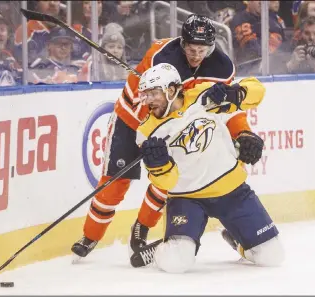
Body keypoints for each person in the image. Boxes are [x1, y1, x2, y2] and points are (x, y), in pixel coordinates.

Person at [71, 14, 262, 262]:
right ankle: (91, 236)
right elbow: (148, 102)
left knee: (168, 181)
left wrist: (243, 131)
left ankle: (141, 228)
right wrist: (150, 134)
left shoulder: (221, 67)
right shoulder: (160, 57)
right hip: (132, 120)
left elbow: (229, 106)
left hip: (173, 126)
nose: (195, 55)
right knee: (114, 184)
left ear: (211, 46)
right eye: (191, 48)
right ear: (182, 43)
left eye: (201, 49)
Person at [135, 63, 284, 273]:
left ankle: (237, 239)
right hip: (187, 199)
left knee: (272, 256)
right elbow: (167, 182)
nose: (148, 101)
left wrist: (235, 93)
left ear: (170, 90)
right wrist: (159, 165)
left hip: (232, 192)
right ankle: (163, 247)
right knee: (176, 263)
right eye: (145, 95)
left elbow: (258, 91)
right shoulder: (146, 132)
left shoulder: (203, 96)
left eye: (153, 94)